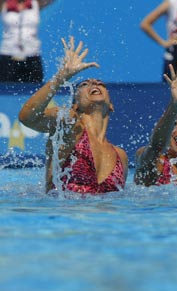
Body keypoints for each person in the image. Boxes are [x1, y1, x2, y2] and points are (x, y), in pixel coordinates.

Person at [18, 36, 128, 194]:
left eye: (100, 83)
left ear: (111, 105)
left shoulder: (120, 156)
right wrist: (61, 77)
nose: (93, 83)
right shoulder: (69, 125)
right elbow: (27, 117)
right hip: (61, 216)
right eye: (84, 84)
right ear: (75, 105)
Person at [0, 0, 55, 83]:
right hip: (8, 55)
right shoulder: (3, 3)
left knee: (35, 91)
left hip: (32, 56)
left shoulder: (36, 3)